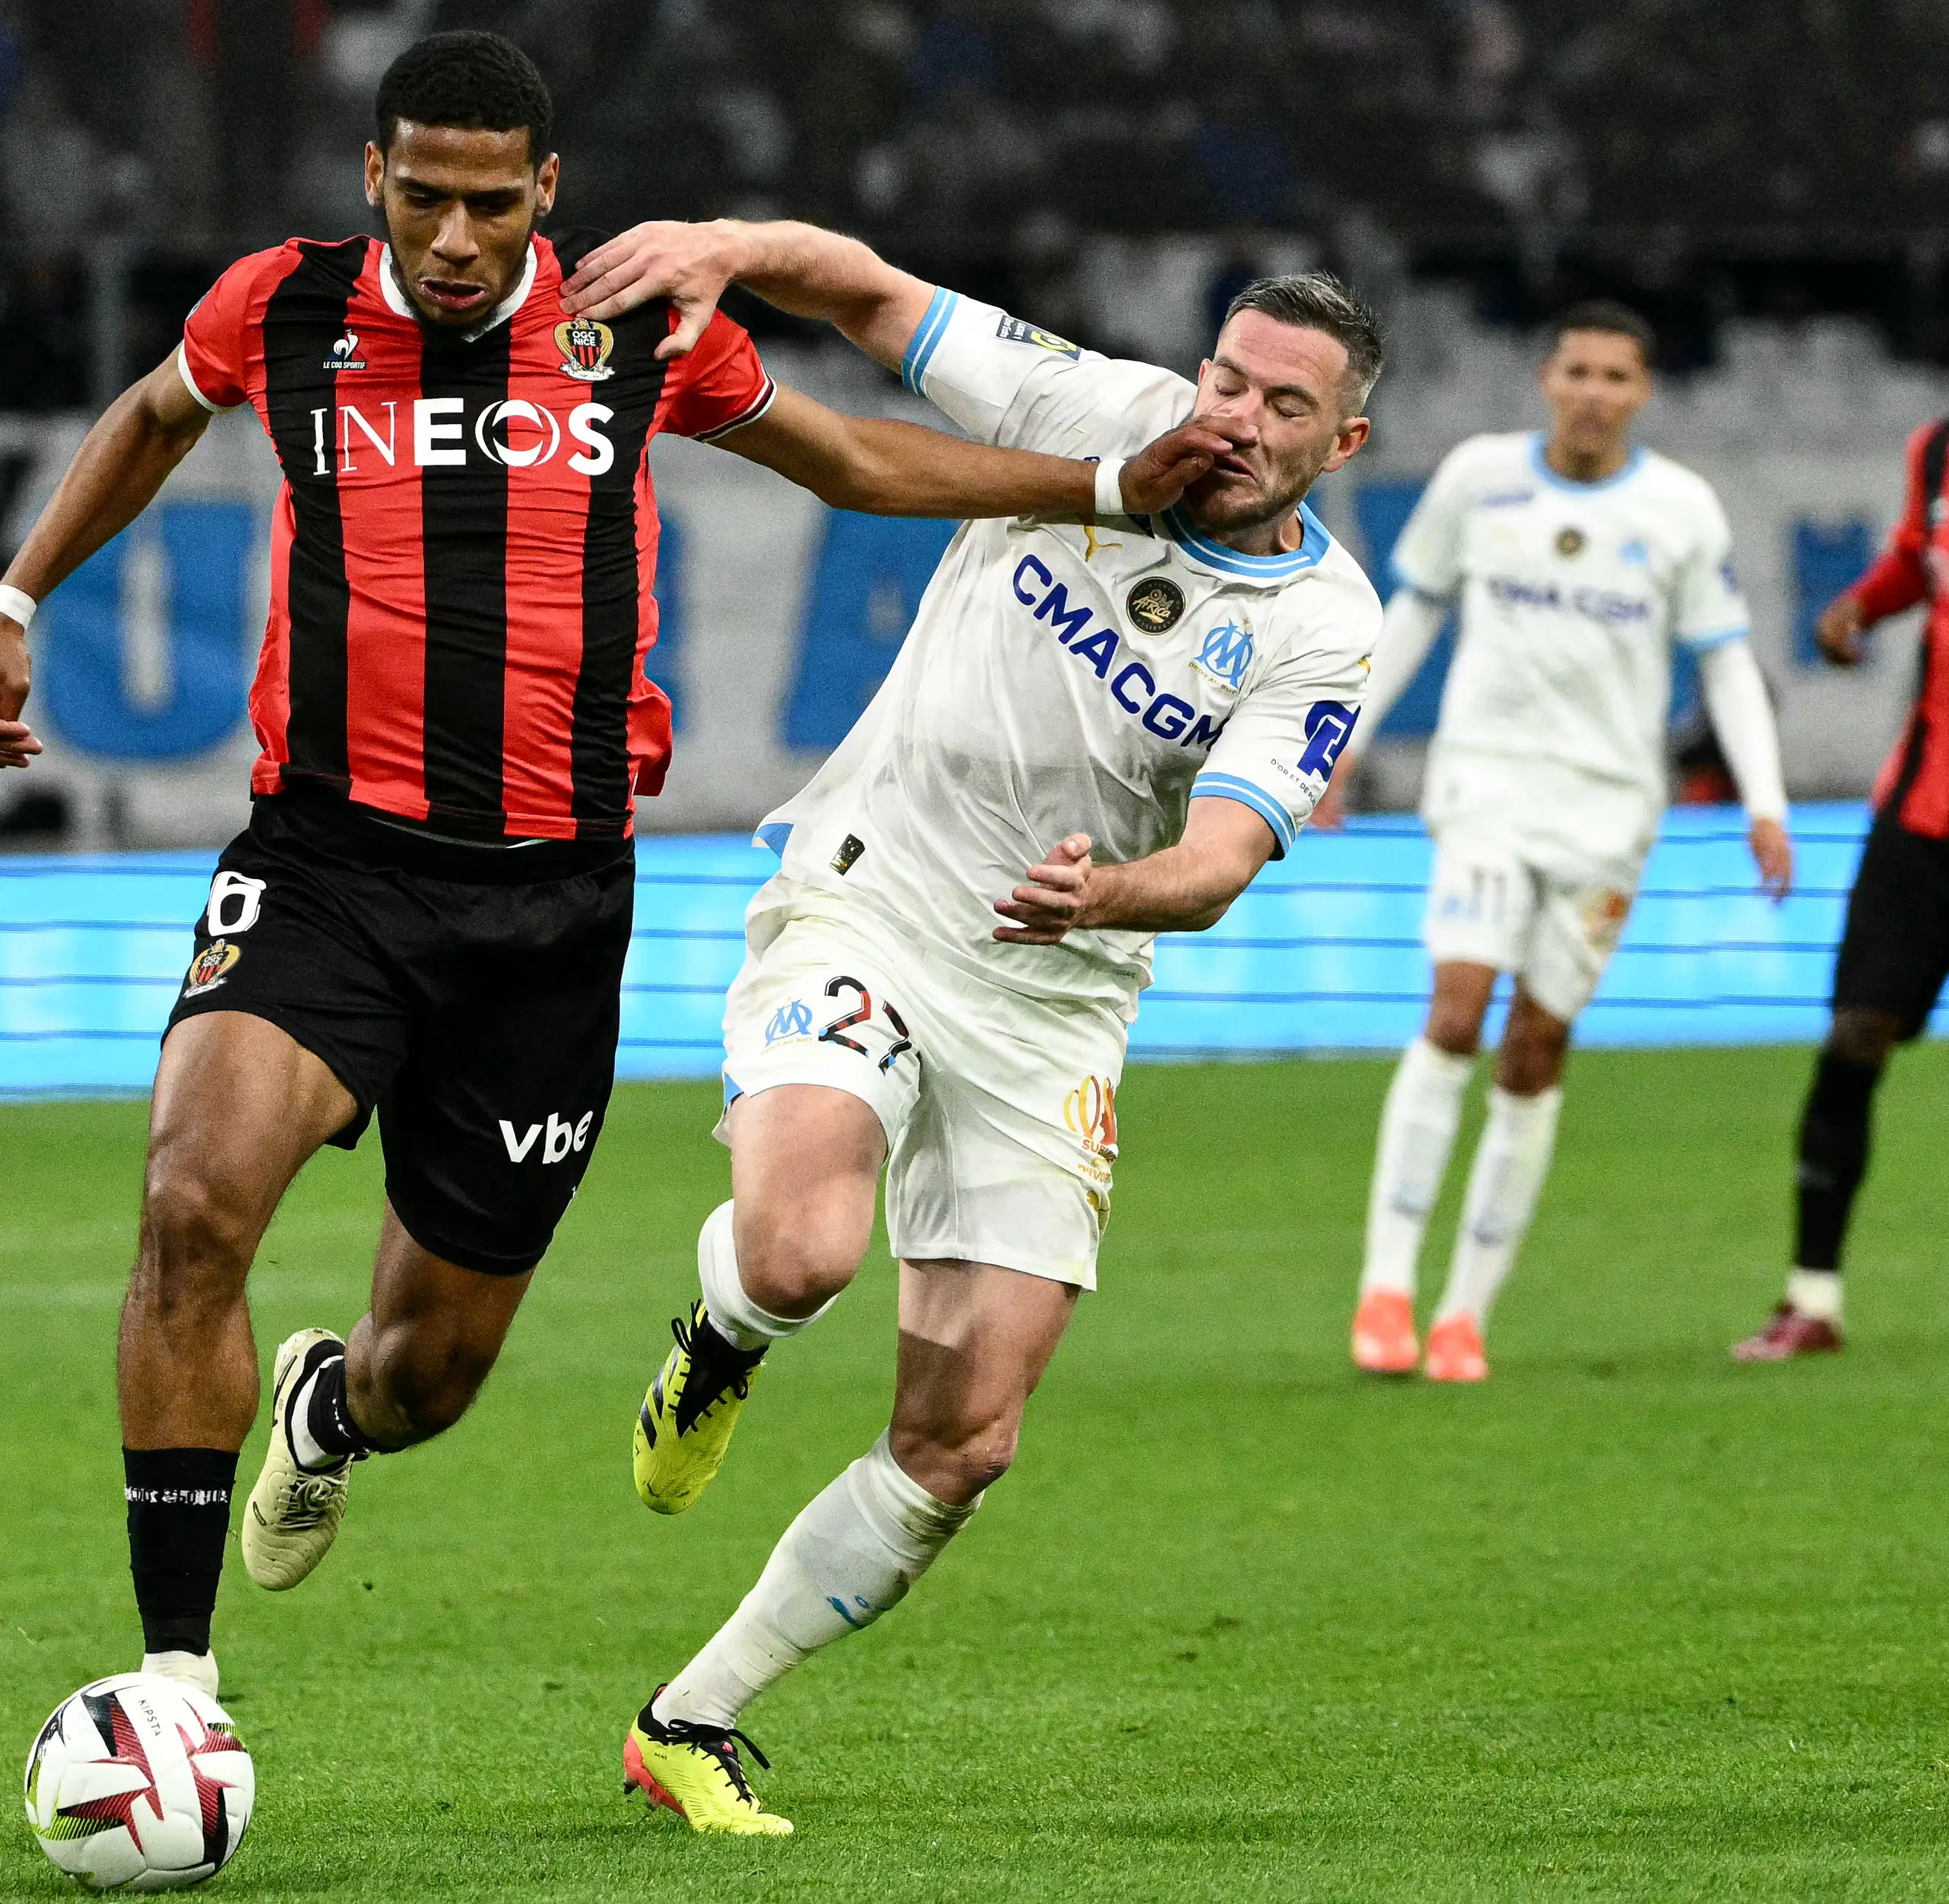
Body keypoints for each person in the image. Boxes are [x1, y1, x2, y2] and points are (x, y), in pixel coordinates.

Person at [0, 31, 1237, 1712]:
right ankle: (173, 1680)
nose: (456, 237)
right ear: (373, 182)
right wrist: (15, 599)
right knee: (192, 1203)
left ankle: (329, 1413)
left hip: (546, 911)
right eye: (424, 198)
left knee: (430, 1374)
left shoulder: (626, 329)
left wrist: (1107, 485)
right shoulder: (283, 307)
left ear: (546, 192)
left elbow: (846, 457)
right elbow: (147, 414)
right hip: (327, 859)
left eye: (492, 202)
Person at [557, 222, 1382, 1832]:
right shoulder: (1090, 409)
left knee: (965, 1436)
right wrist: (728, 248)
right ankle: (722, 1337)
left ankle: (692, 1716)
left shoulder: (1324, 628)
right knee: (800, 1253)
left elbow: (1221, 856)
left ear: (1341, 444)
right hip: (870, 892)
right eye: (1226, 375)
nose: (1233, 414)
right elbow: (864, 293)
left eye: (1282, 406)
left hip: (1056, 992)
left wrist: (1115, 891)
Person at [1323, 302, 1793, 1382]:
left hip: (1611, 814)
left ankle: (1466, 1313)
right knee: (1455, 1010)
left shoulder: (1681, 510)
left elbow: (1723, 658)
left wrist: (1763, 801)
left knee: (1537, 1047)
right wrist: (1340, 743)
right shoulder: (1481, 479)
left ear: (1644, 392)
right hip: (1487, 787)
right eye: (1577, 369)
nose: (1594, 391)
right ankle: (1387, 1290)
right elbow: (1417, 611)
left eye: (1616, 376)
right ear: (1545, 377)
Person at [1733, 301, 1949, 1362]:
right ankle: (1812, 1299)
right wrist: (1859, 610)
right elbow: (1911, 557)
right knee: (1852, 1041)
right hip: (1919, 822)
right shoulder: (1941, 448)